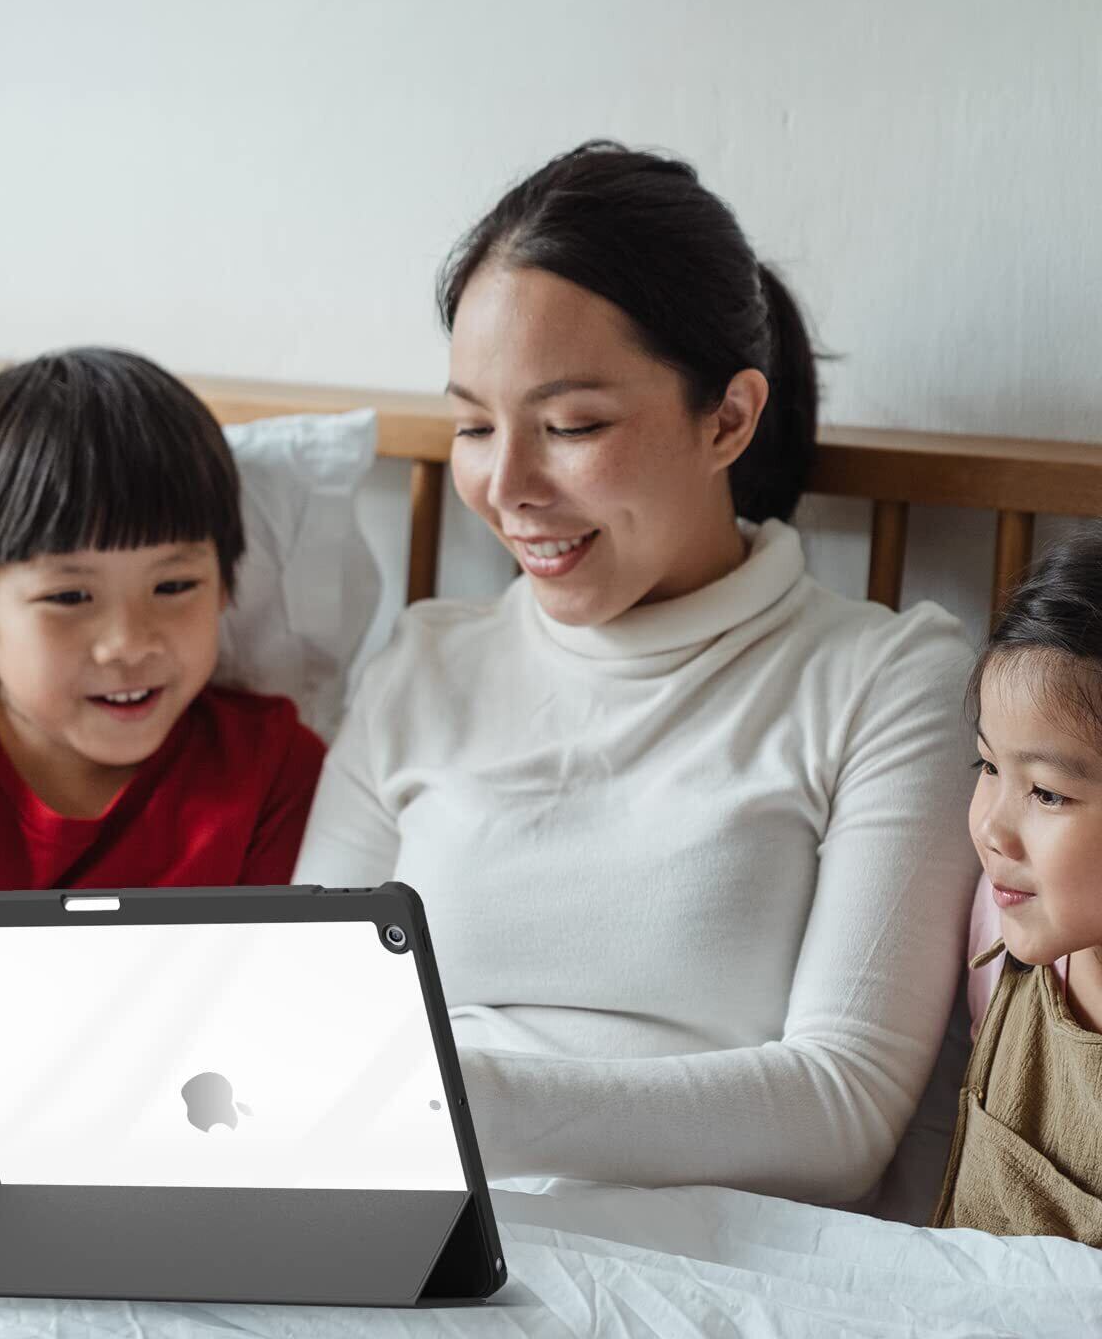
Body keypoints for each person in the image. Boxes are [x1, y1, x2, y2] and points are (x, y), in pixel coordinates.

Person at [294, 140, 980, 1200]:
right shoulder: (424, 666)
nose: (505, 487)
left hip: (684, 1260)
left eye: (572, 426)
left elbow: (840, 1109)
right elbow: (306, 1019)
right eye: (474, 424)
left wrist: (454, 1101)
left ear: (729, 418)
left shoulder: (886, 682)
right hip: (393, 1216)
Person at [748, 530, 1102, 1339]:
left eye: (1048, 794)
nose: (992, 828)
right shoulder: (1003, 930)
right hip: (941, 1335)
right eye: (988, 768)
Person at [0, 347, 325, 899]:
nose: (128, 644)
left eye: (174, 586)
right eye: (69, 596)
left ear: (225, 585)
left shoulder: (272, 769)